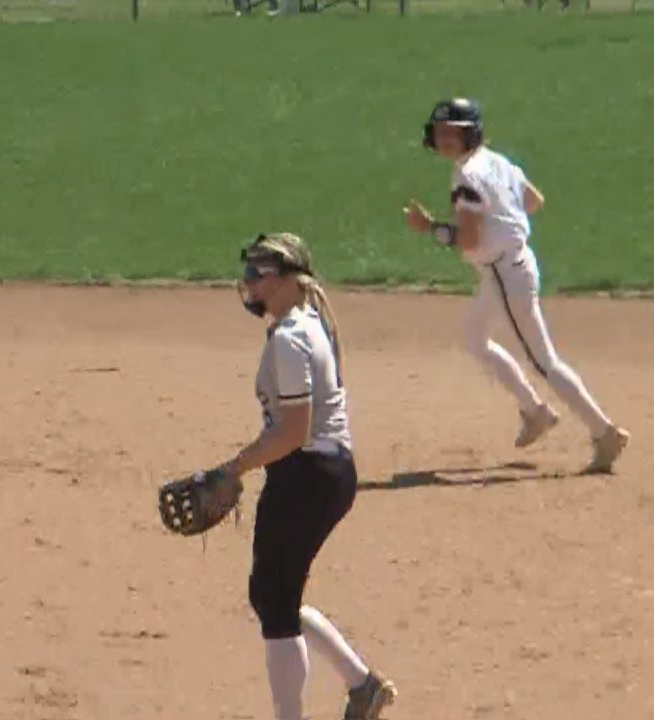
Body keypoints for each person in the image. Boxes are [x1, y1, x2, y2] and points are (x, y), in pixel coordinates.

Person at [208, 232, 397, 720]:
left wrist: (232, 469)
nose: (248, 282)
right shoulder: (302, 323)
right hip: (317, 471)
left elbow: (292, 431)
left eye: (258, 273)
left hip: (308, 473)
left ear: (288, 279)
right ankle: (363, 686)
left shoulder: (292, 339)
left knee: (276, 603)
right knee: (273, 596)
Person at [403, 98, 630, 474]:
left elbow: (470, 241)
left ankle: (604, 432)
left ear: (468, 133)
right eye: (440, 132)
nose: (444, 139)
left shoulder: (466, 178)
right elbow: (534, 201)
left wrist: (430, 229)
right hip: (511, 267)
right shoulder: (498, 162)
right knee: (475, 338)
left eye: (452, 132)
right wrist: (505, 220)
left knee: (545, 362)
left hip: (505, 275)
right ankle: (535, 411)